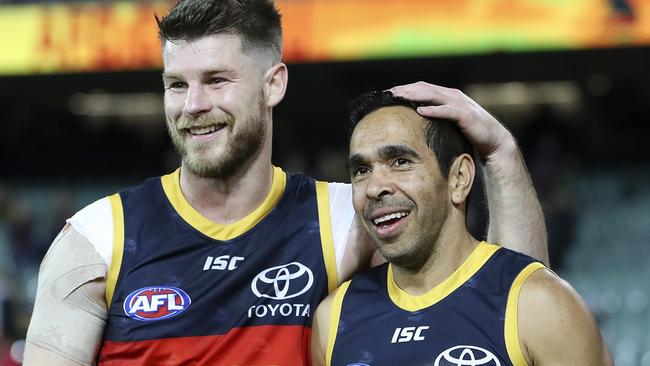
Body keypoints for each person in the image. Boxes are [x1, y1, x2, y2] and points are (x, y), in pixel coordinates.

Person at [23, 1, 548, 365]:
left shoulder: (345, 219)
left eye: (216, 81)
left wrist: (500, 156)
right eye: (176, 85)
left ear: (273, 84)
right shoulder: (96, 240)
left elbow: (505, 311)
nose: (193, 106)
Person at [311, 91, 612, 366]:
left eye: (400, 161)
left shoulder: (541, 305)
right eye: (361, 170)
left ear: (459, 178)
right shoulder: (333, 319)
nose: (375, 187)